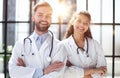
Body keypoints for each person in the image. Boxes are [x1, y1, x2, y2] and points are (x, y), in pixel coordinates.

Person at [8, 1, 66, 78]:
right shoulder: (20, 44)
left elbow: (57, 75)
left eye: (48, 15)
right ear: (33, 17)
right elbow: (13, 72)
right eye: (40, 15)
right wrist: (44, 71)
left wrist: (26, 72)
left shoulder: (59, 47)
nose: (44, 18)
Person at [56, 11, 107, 78]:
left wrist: (78, 73)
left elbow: (103, 70)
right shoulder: (62, 46)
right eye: (79, 21)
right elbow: (63, 72)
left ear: (88, 26)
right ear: (72, 22)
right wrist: (93, 71)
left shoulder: (95, 45)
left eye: (85, 23)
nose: (82, 25)